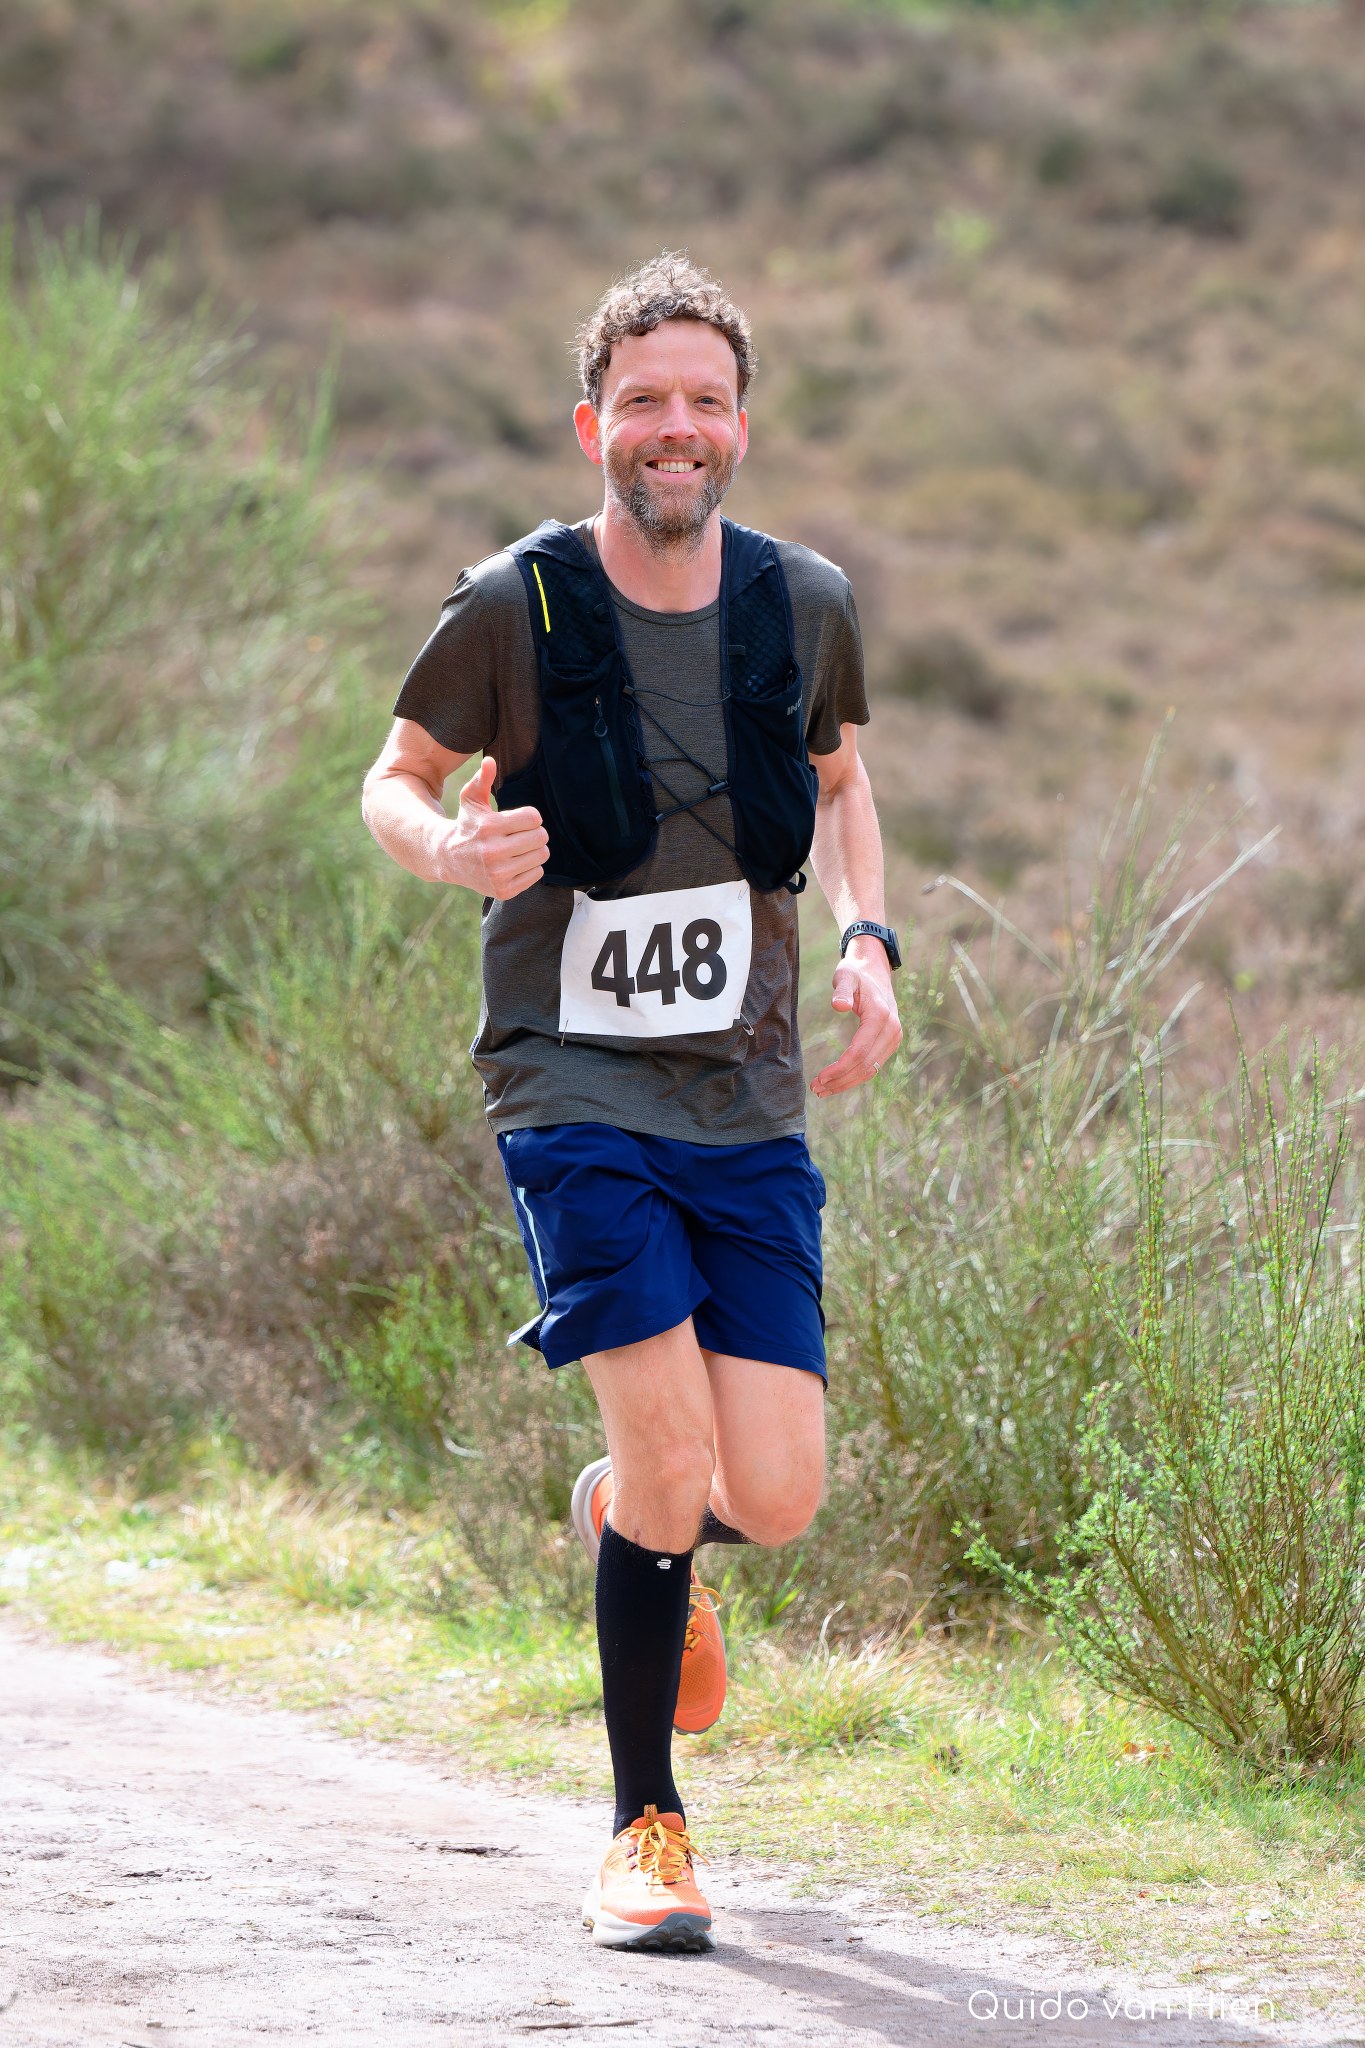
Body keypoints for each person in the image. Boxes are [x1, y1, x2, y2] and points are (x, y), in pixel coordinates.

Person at [361, 252, 902, 1953]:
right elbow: (392, 776)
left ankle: (626, 1523)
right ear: (593, 422)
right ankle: (643, 1831)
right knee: (669, 1449)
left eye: (706, 401)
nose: (678, 426)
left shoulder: (801, 602)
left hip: (745, 1091)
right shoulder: (512, 606)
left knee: (777, 1492)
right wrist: (448, 848)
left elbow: (841, 784)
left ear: (740, 427)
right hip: (570, 1078)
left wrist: (869, 939)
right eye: (645, 399)